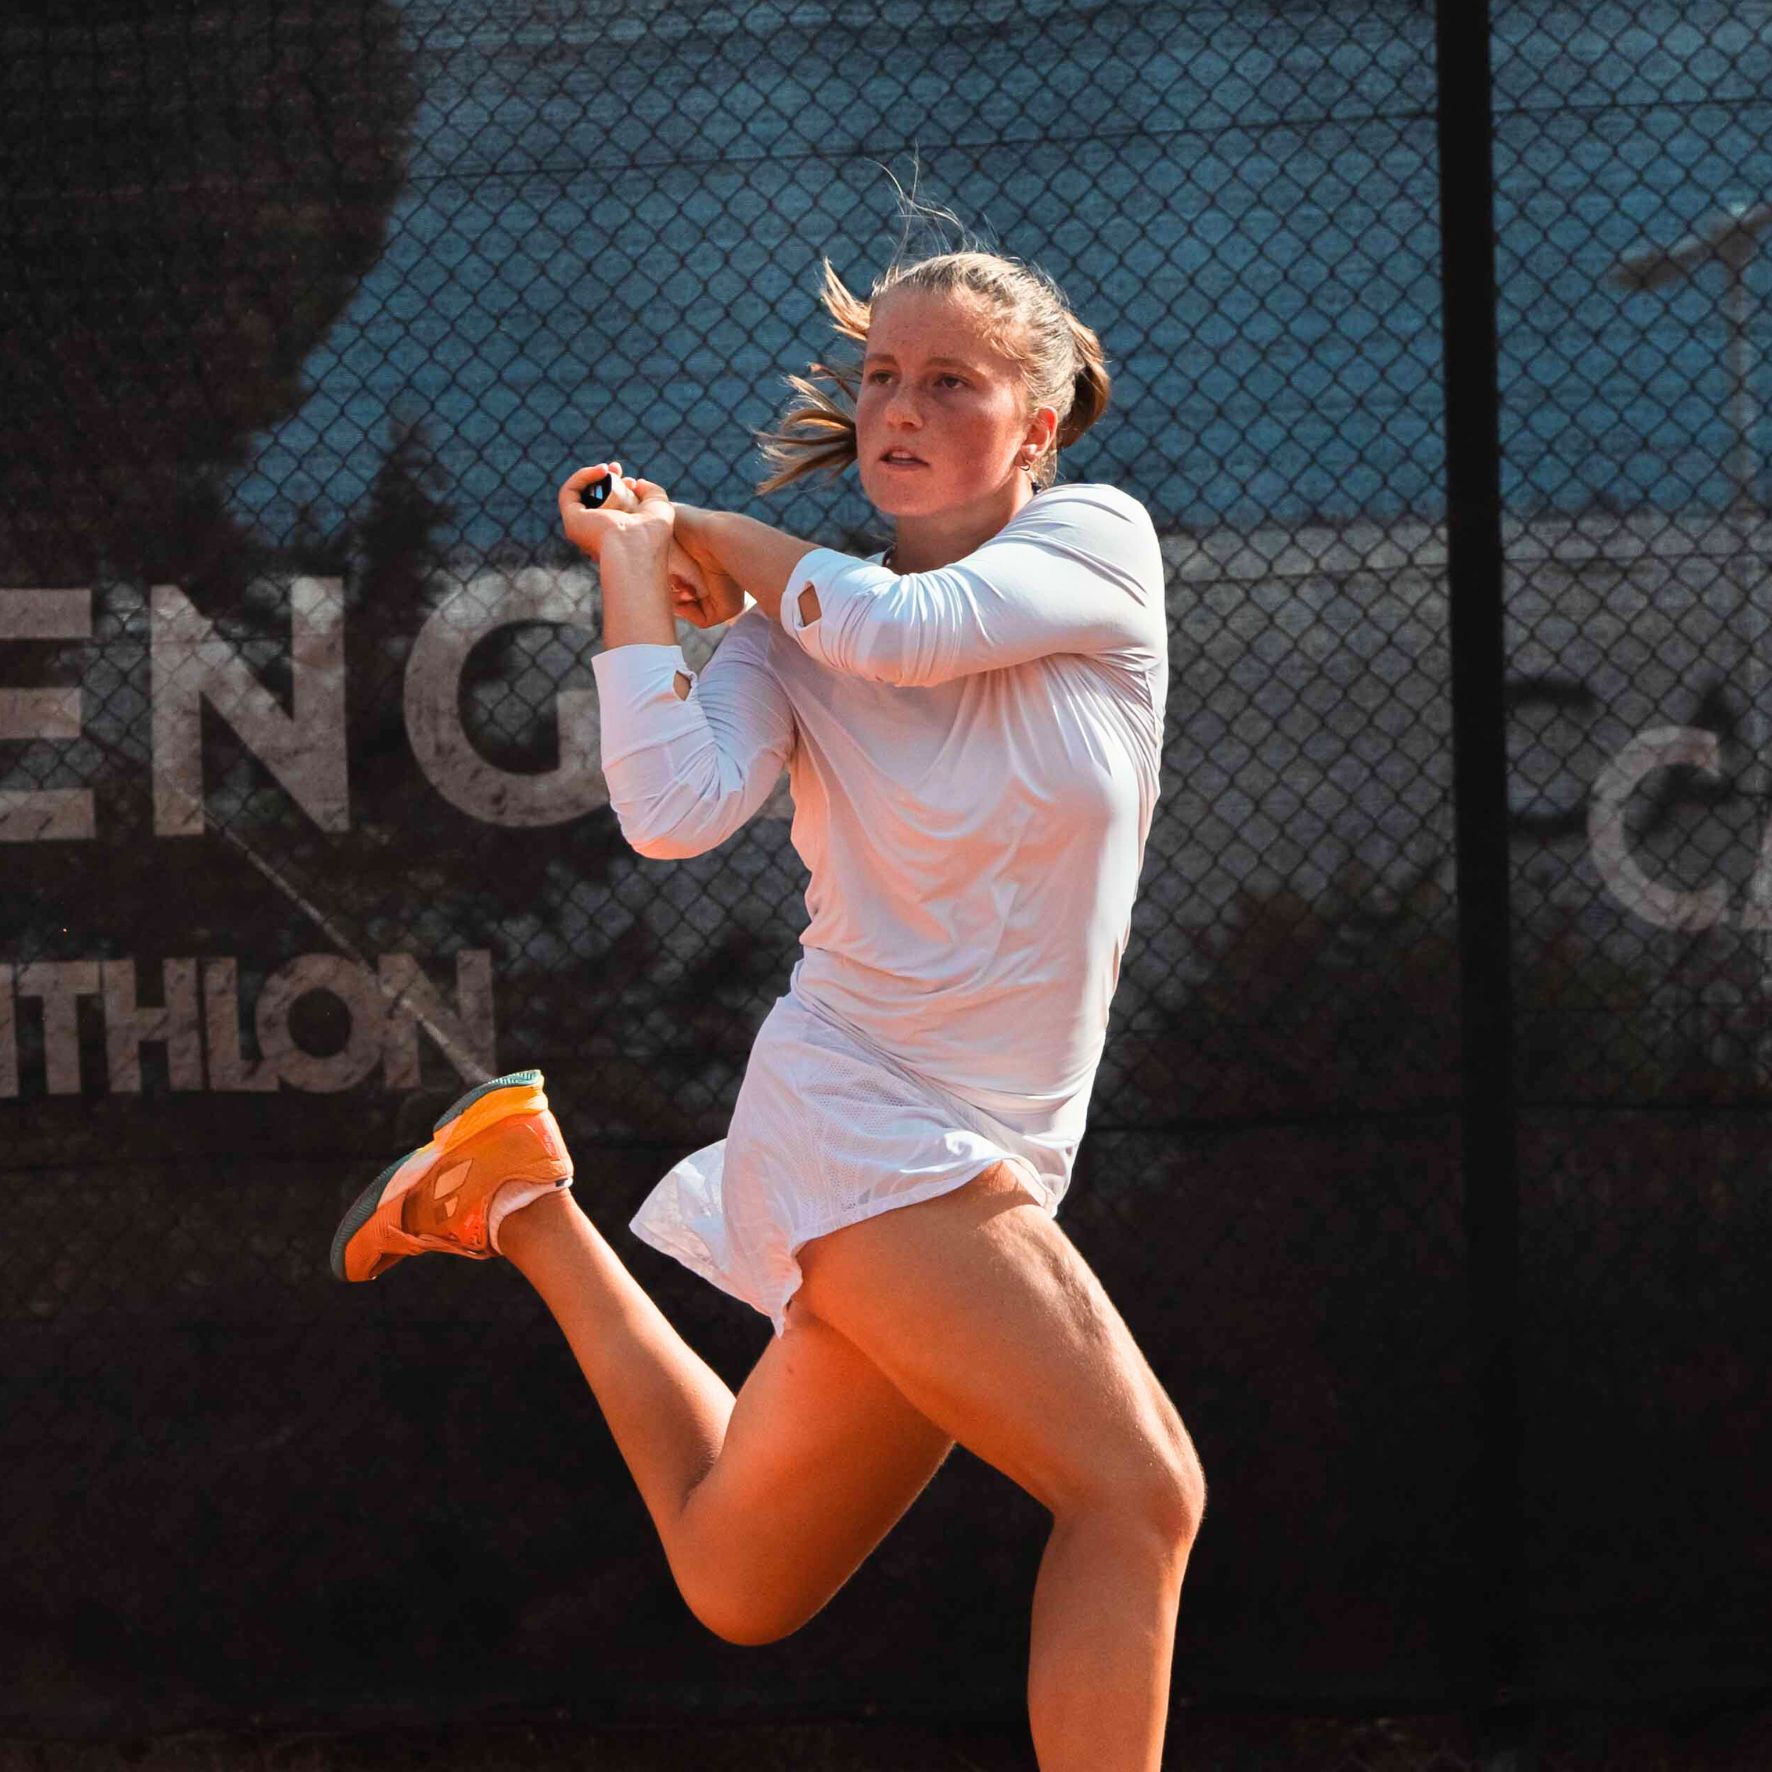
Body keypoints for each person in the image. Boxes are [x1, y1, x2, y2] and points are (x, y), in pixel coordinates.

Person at [331, 242, 1205, 1772]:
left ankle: (519, 1200)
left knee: (740, 1578)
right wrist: (637, 575)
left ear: (1040, 422)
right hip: (867, 1118)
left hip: (999, 1147)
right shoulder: (788, 630)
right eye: (881, 377)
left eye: (949, 380)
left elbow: (905, 633)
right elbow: (672, 808)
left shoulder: (1096, 544)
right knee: (1139, 1492)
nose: (899, 408)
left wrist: (717, 539)